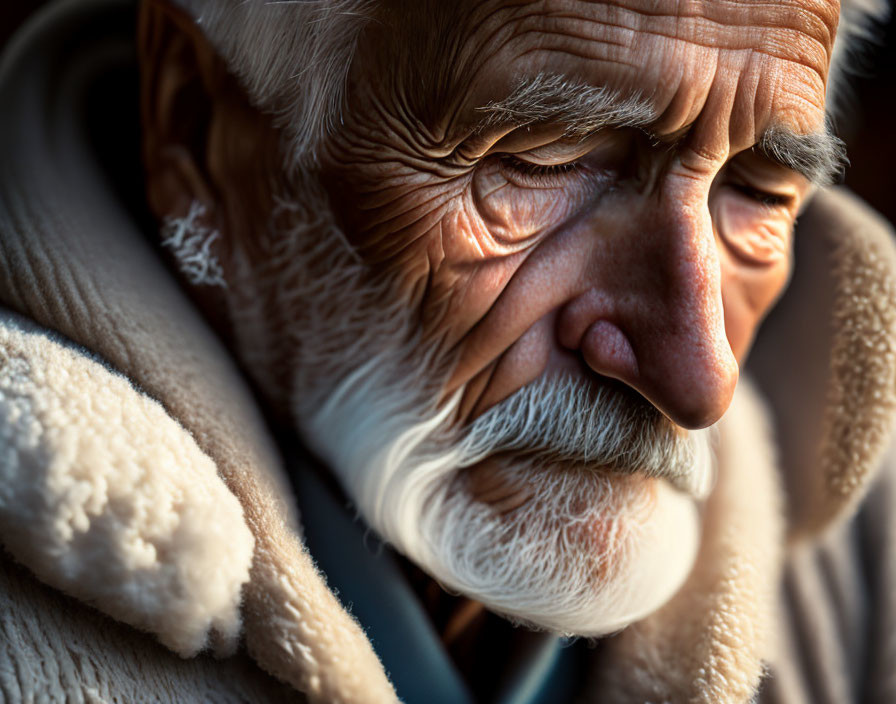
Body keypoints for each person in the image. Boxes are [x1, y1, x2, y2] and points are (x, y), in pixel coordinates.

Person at [1, 0, 895, 702]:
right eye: (545, 159)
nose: (699, 378)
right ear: (197, 124)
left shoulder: (864, 556)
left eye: (755, 191)